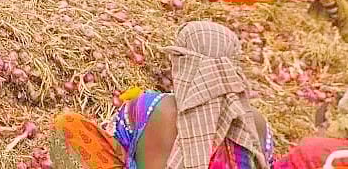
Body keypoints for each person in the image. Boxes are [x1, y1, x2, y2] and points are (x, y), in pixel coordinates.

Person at [49, 21, 275, 169]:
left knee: (68, 125)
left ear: (180, 63)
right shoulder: (257, 124)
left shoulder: (145, 105)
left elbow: (112, 147)